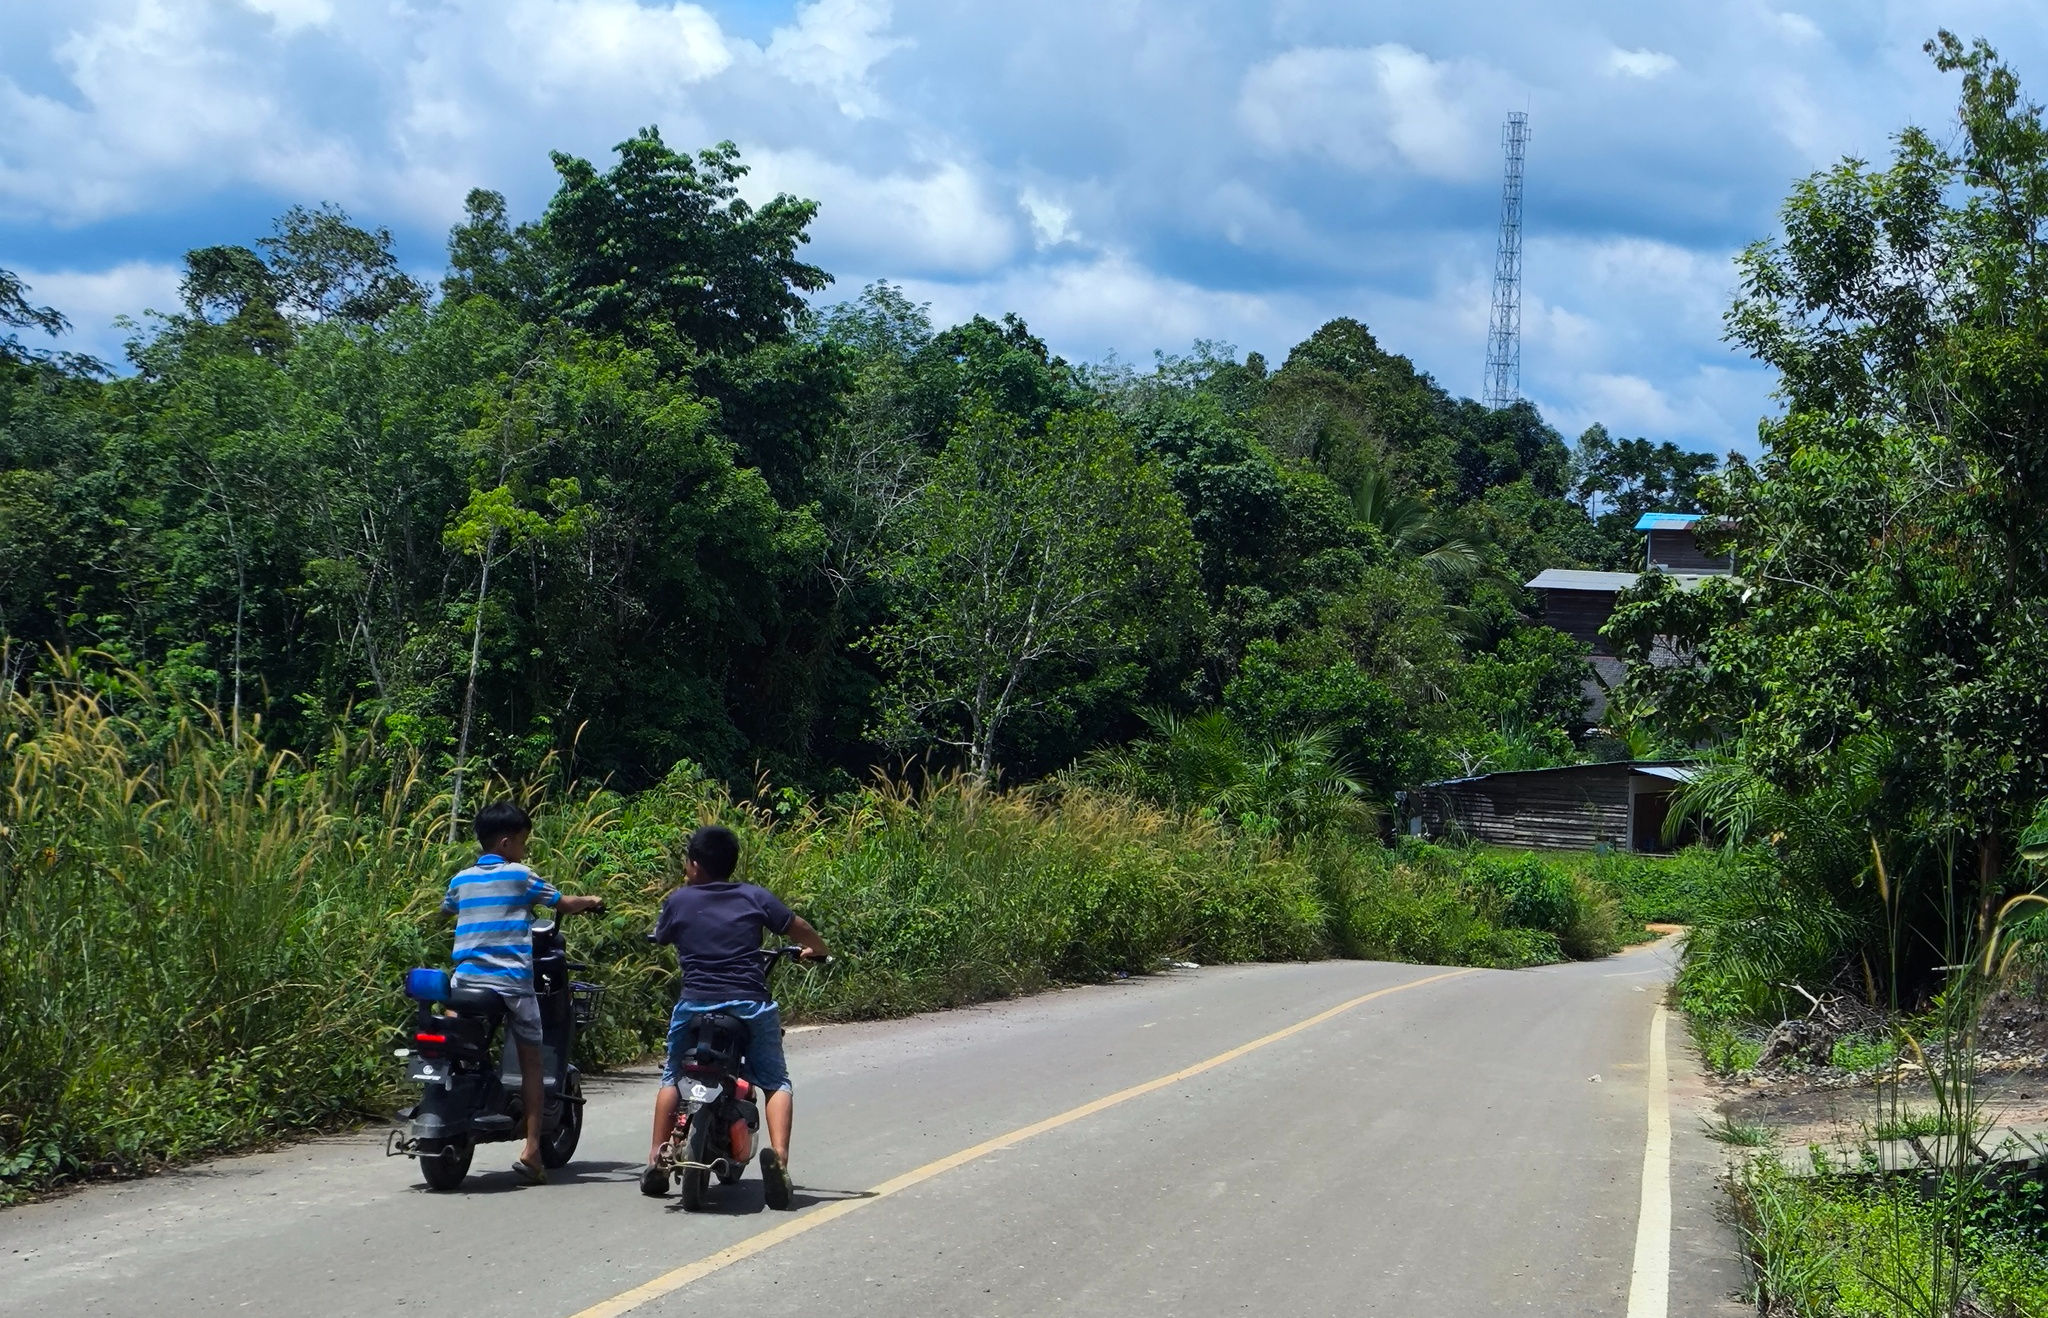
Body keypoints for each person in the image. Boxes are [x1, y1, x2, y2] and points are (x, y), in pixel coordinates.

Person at [643, 824, 828, 1208]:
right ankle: (778, 1161)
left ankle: (656, 1160)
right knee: (776, 1082)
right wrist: (817, 949)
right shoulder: (754, 896)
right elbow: (799, 927)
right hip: (749, 1005)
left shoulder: (679, 901)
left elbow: (661, 936)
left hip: (695, 1005)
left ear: (694, 865)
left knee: (672, 1076)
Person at [441, 800, 605, 1185]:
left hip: (464, 981)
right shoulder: (520, 875)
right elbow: (562, 903)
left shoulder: (460, 880)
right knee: (533, 1060)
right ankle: (532, 1151)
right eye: (522, 842)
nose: (524, 849)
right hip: (510, 982)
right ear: (505, 842)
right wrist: (593, 901)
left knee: (456, 1036)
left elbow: (445, 911)